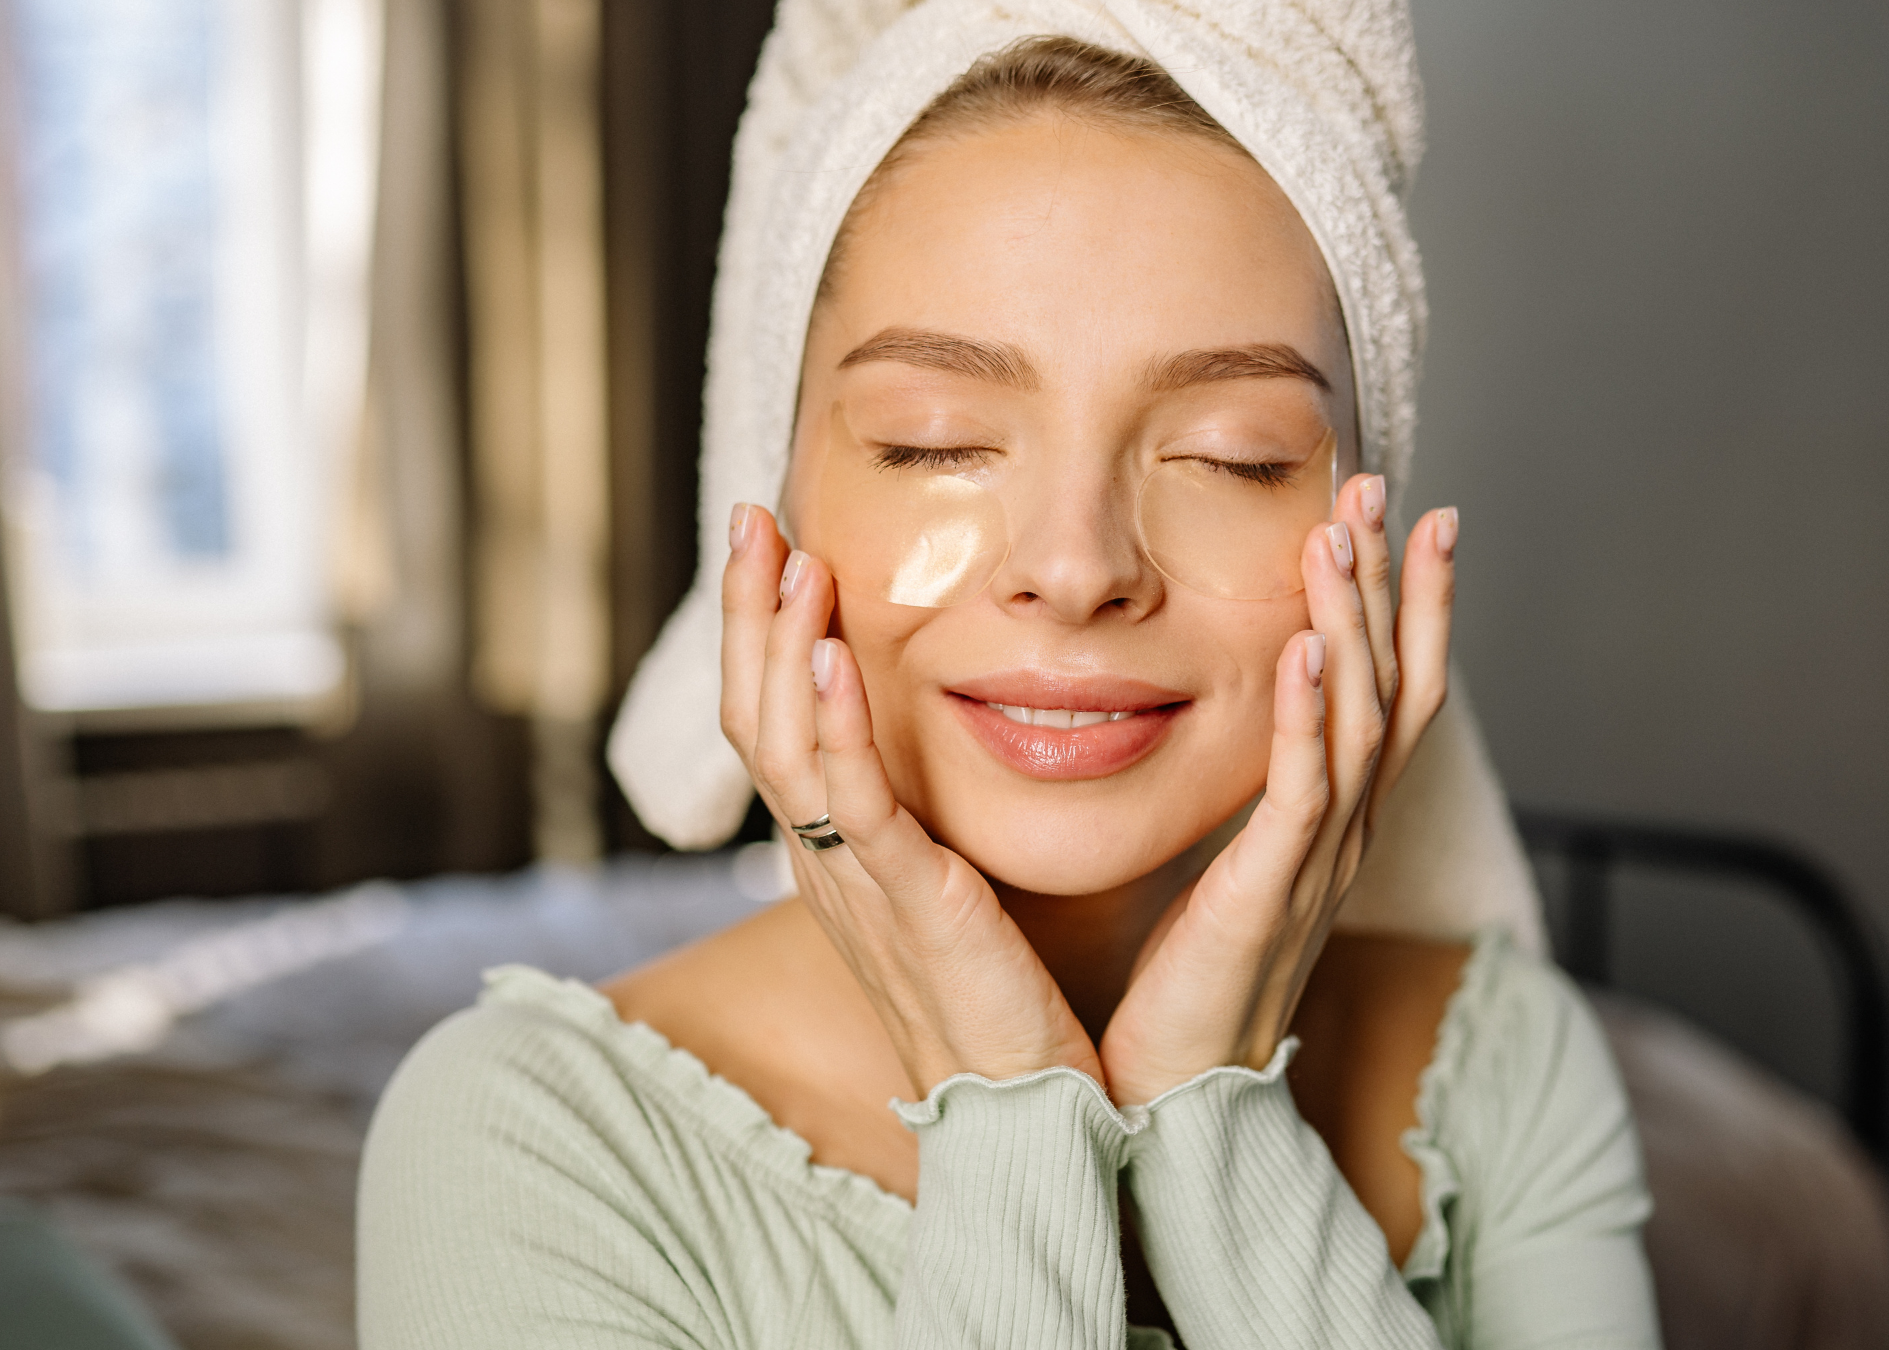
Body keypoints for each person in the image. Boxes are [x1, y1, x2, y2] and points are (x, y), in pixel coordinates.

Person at [358, 6, 1660, 1348]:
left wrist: (1215, 1113)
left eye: (1234, 452)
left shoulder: (1499, 1061)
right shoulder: (528, 1136)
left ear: (1366, 544)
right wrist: (1011, 1106)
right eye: (934, 443)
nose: (1075, 564)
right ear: (775, 500)